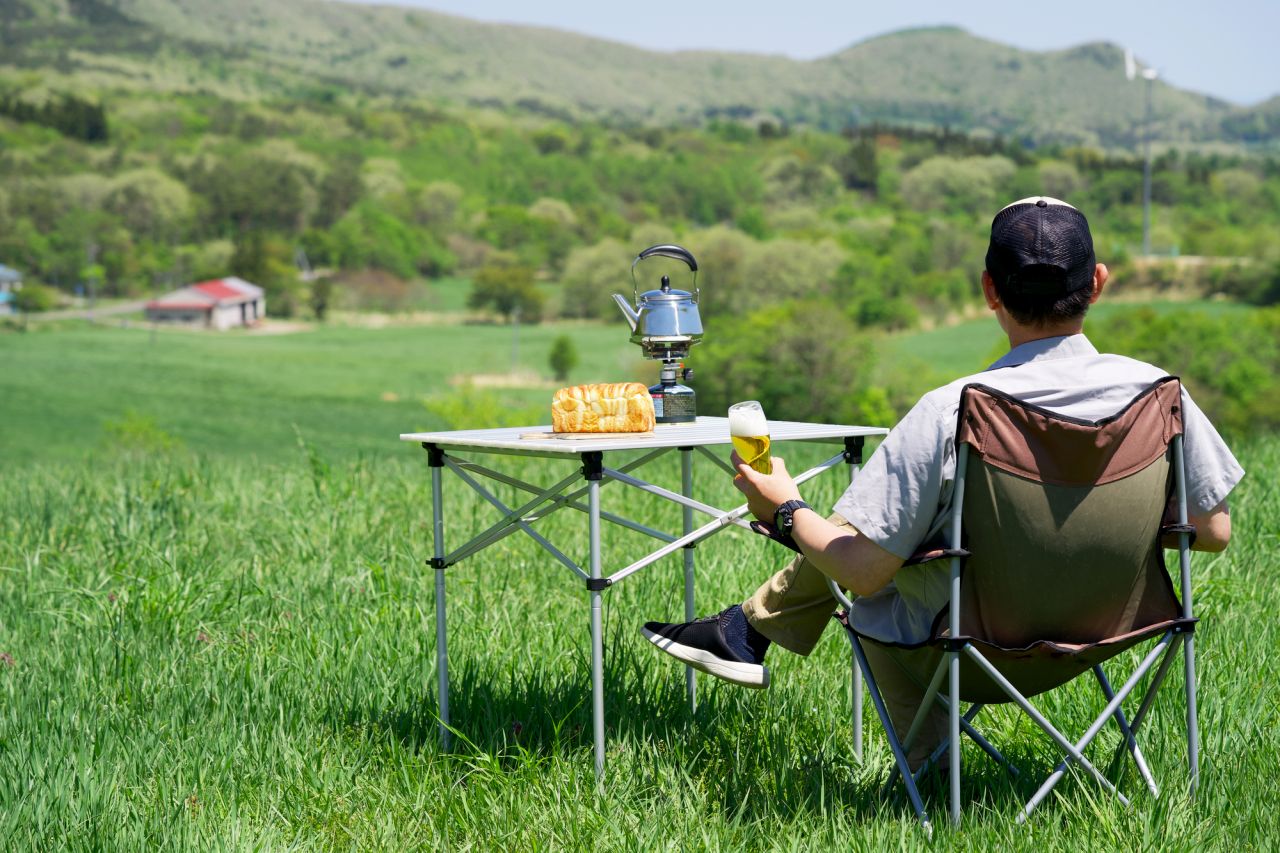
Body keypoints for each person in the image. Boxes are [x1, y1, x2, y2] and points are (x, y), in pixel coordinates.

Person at [641, 197, 1244, 767]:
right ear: (1098, 283)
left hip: (976, 652)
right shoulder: (1159, 395)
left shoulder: (955, 409)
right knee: (894, 538)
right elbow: (1212, 530)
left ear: (989, 291)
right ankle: (747, 628)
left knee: (875, 576)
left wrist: (787, 510)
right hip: (1114, 633)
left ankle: (927, 769)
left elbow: (863, 573)